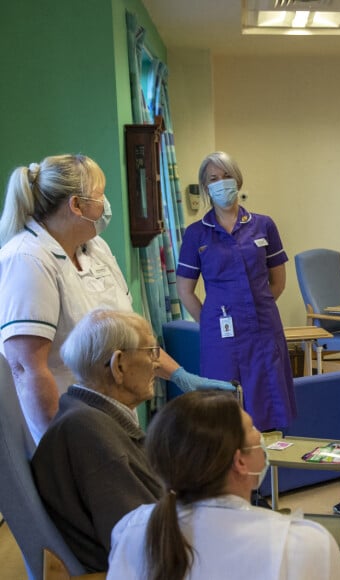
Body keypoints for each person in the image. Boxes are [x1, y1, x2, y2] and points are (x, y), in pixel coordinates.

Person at [0, 154, 233, 443]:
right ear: (76, 205)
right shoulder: (28, 258)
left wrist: (180, 376)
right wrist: (57, 449)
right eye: (99, 196)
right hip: (63, 425)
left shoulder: (95, 248)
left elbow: (130, 337)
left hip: (111, 420)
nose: (105, 205)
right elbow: (26, 368)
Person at [107, 390, 340, 580]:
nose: (262, 438)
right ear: (240, 461)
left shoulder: (130, 529)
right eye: (254, 431)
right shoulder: (304, 545)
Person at [31, 308, 165, 573]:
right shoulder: (89, 432)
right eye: (150, 351)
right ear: (118, 365)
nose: (156, 363)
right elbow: (142, 548)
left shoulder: (86, 416)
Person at [176, 151, 296, 431]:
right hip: (221, 335)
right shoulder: (196, 233)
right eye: (213, 179)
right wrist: (210, 321)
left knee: (270, 400)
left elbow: (277, 280)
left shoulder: (263, 224)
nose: (221, 183)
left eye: (226, 176)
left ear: (238, 180)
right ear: (206, 188)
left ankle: (272, 466)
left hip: (264, 328)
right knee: (224, 409)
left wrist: (256, 307)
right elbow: (185, 290)